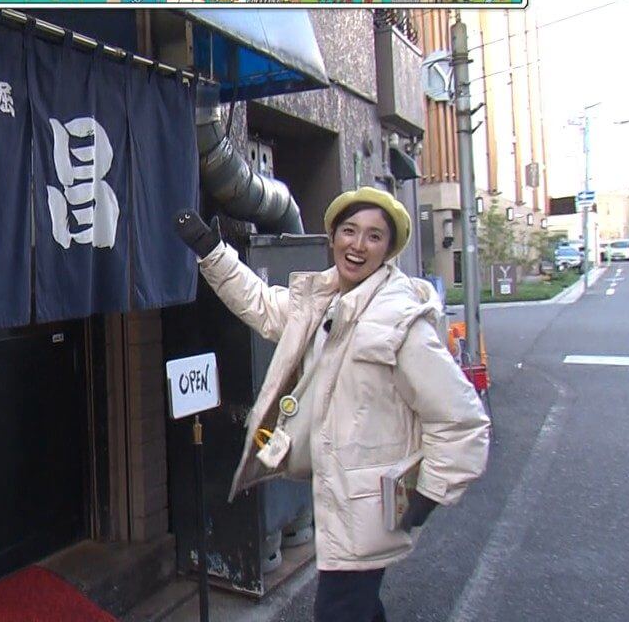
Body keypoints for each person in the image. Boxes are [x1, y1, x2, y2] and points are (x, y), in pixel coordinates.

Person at [173, 187, 490, 622]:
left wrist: (427, 494)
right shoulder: (323, 301)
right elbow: (261, 304)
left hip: (369, 508)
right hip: (336, 496)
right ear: (333, 237)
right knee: (357, 609)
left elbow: (462, 421)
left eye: (374, 236)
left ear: (388, 250)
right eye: (349, 231)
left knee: (339, 611)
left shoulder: (400, 321)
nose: (358, 245)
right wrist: (212, 252)